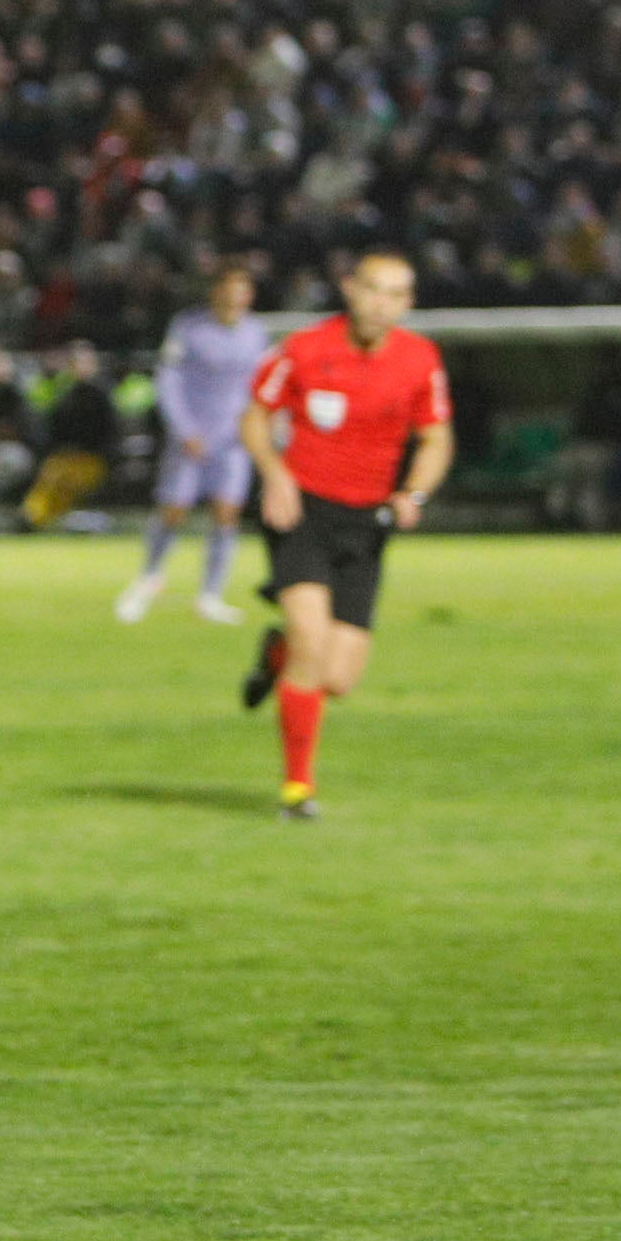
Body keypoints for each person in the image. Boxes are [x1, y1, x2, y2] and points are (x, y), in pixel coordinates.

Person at [235, 250, 453, 820]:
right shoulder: (305, 349)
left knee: (338, 676)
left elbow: (436, 438)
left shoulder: (419, 360)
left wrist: (414, 495)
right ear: (349, 289)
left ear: (408, 304)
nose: (382, 304)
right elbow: (255, 415)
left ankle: (276, 654)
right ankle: (297, 791)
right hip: (302, 511)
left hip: (368, 522)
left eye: (396, 294)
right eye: (372, 290)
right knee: (312, 641)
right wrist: (275, 473)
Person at [118, 266, 273, 624]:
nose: (236, 297)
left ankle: (210, 596)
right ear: (216, 291)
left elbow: (261, 385)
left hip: (234, 439)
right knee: (174, 509)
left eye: (243, 289)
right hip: (193, 436)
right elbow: (168, 380)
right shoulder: (188, 327)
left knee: (227, 512)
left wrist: (261, 425)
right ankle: (149, 576)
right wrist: (183, 428)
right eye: (230, 288)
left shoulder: (256, 333)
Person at [21, 341, 116, 530]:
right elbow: (53, 429)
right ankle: (33, 516)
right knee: (51, 474)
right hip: (64, 456)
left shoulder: (102, 395)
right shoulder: (64, 395)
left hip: (92, 458)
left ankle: (43, 519)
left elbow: (109, 432)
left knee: (63, 479)